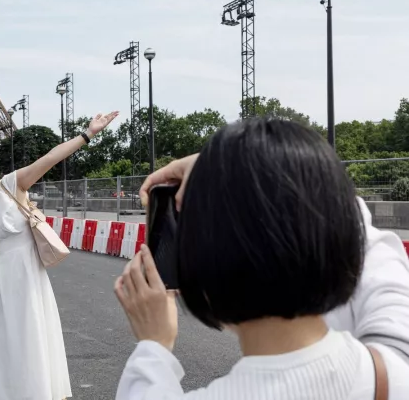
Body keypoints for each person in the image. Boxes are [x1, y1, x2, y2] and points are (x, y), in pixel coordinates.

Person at [115, 118, 409, 399]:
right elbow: (363, 241)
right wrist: (256, 174)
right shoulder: (396, 366)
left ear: (202, 262)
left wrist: (153, 346)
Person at [0, 110, 119, 400]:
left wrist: (89, 133)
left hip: (29, 282)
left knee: (33, 348)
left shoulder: (10, 185)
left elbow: (51, 157)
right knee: (5, 354)